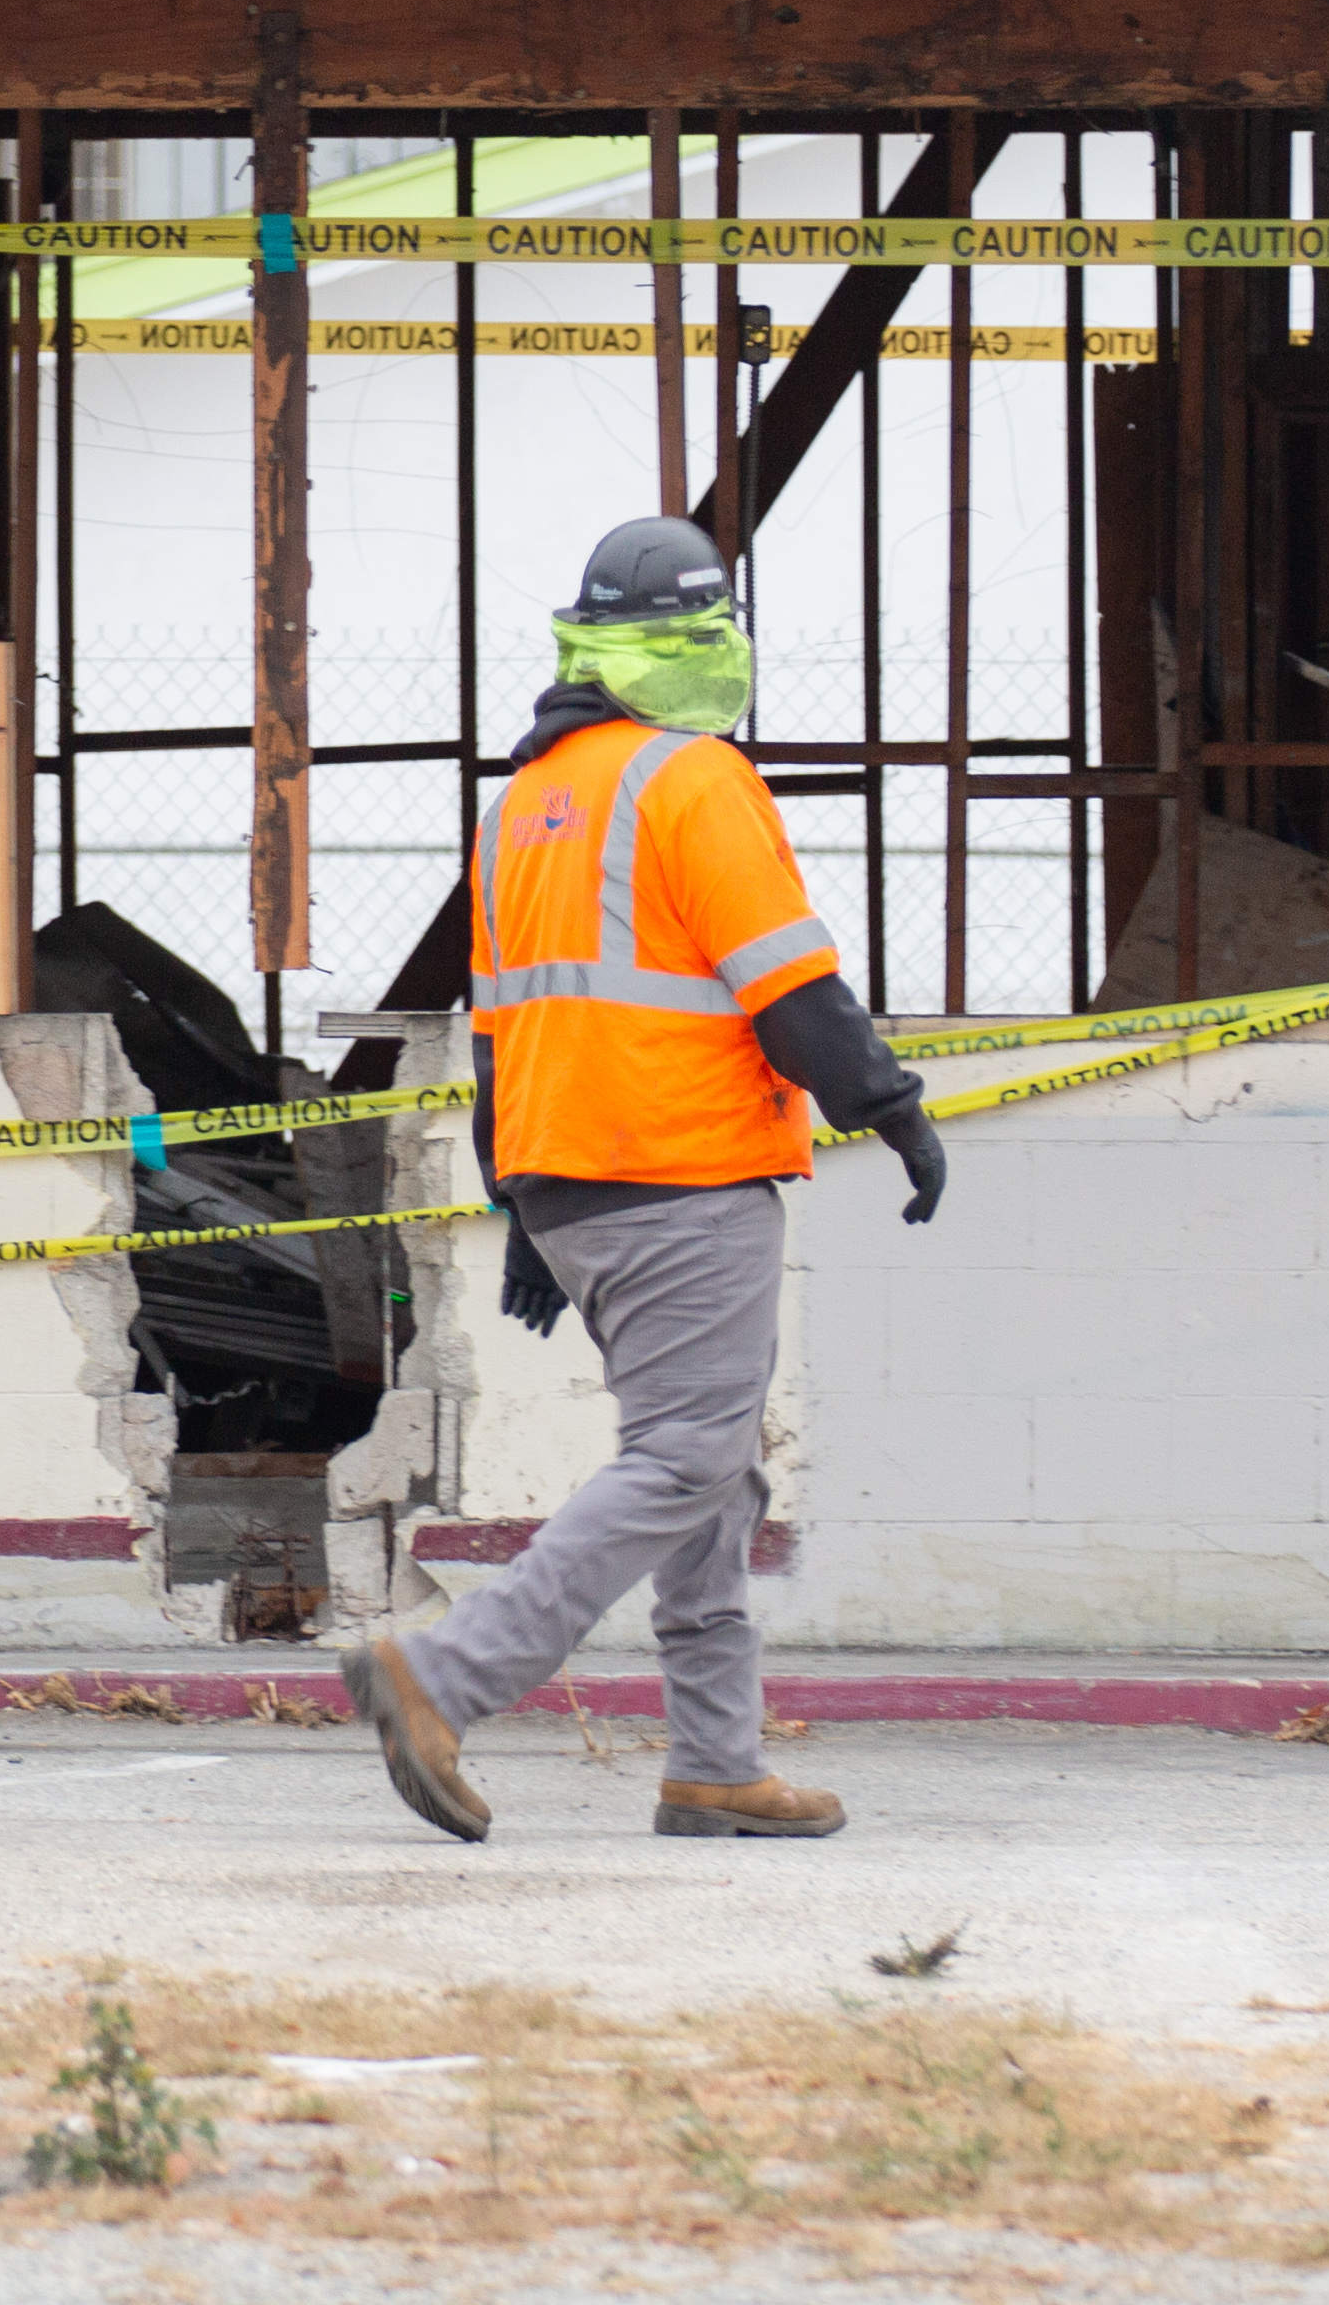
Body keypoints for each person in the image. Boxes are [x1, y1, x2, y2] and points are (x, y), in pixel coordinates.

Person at [342, 514, 949, 1847]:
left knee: (710, 1473)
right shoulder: (694, 781)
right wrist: (891, 1109)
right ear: (690, 644)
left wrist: (519, 1203)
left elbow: (500, 1032)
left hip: (574, 1180)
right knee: (687, 1457)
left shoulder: (524, 808)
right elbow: (788, 986)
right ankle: (443, 1676)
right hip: (683, 1170)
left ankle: (716, 1761)